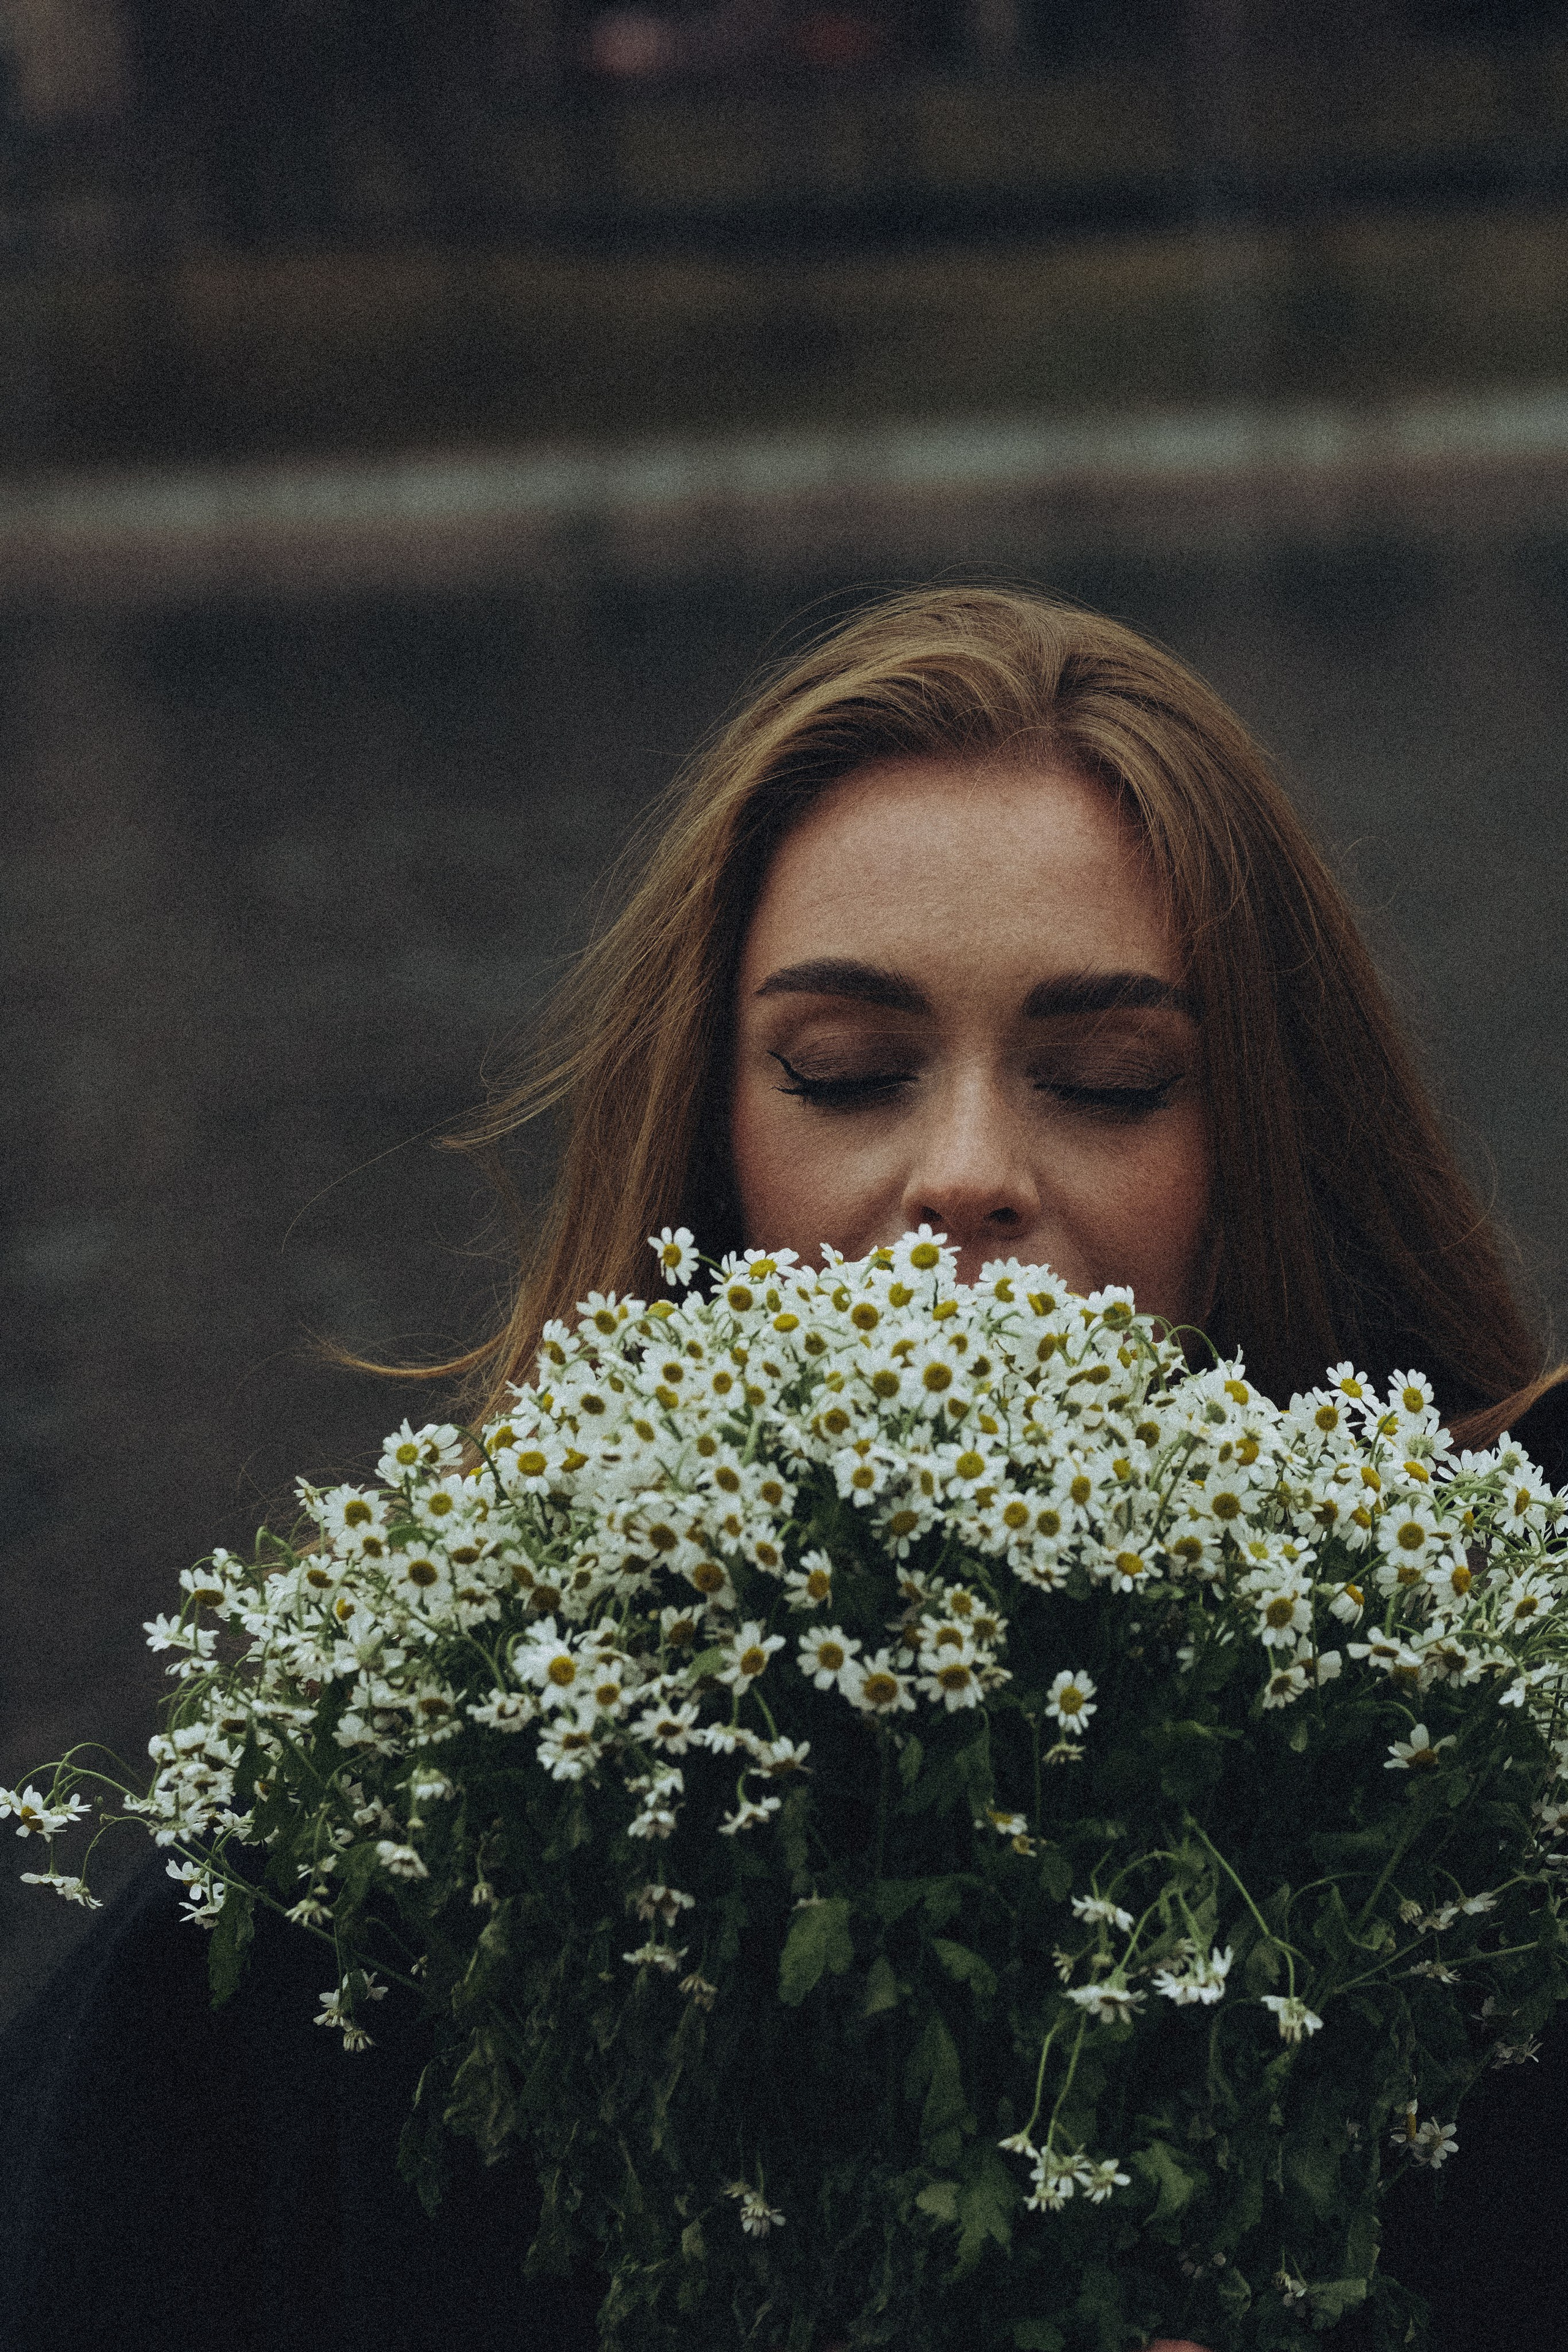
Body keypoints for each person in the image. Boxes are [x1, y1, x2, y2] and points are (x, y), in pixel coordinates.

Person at [4, 586, 1565, 2351]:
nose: (965, 1173)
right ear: (709, 1140)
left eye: (1114, 1079)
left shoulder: (1498, 1821)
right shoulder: (389, 1868)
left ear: (1274, 1149)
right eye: (846, 1072)